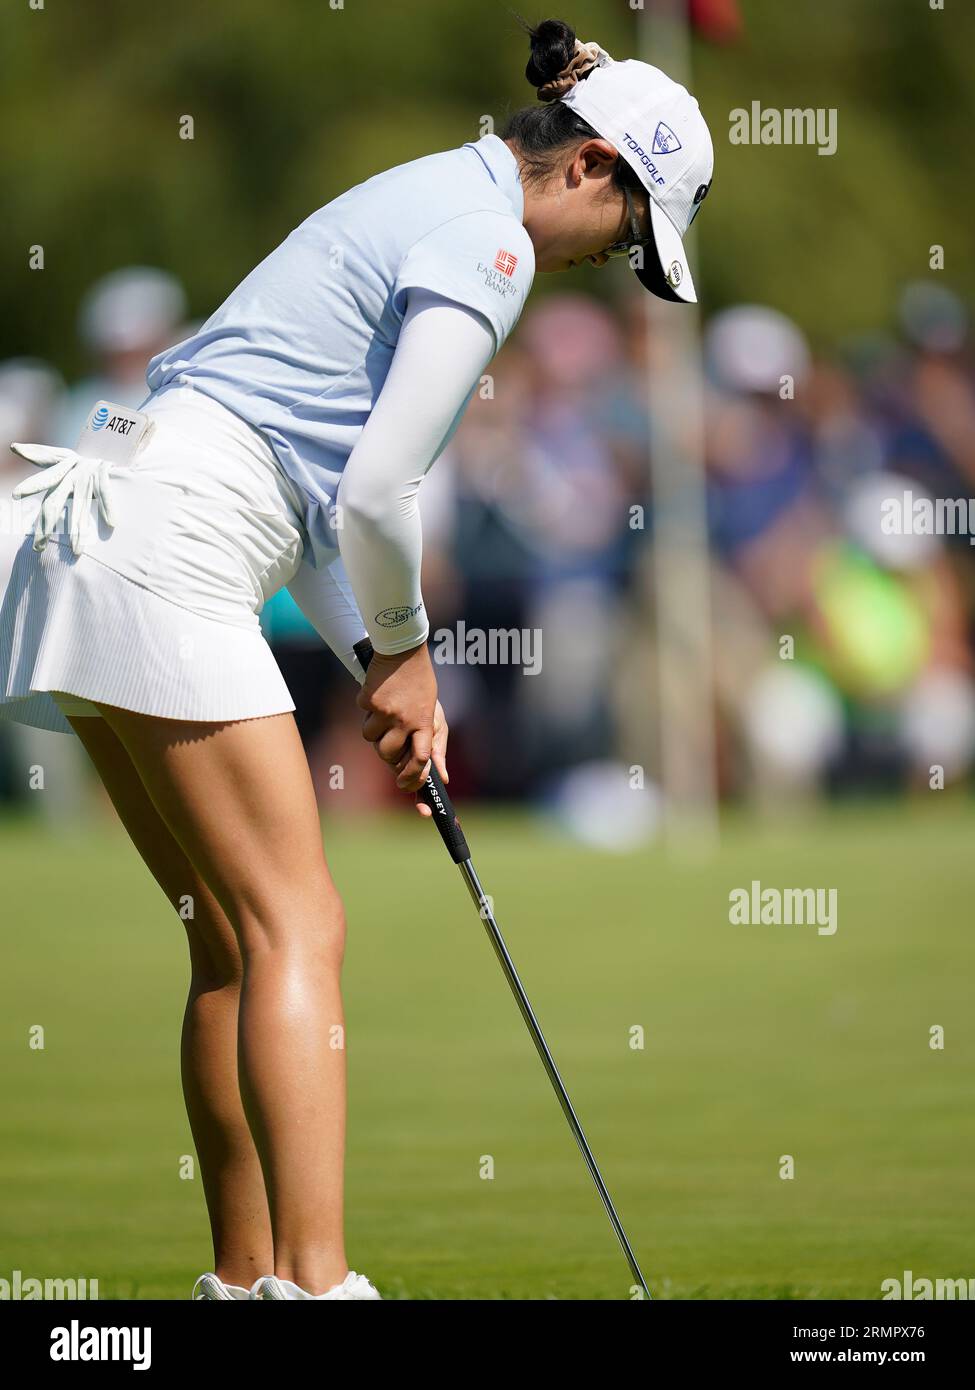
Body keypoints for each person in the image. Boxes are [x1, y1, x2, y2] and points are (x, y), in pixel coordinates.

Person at [0, 18, 713, 1300]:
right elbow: (383, 491)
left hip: (96, 528)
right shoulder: (492, 240)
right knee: (300, 923)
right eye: (623, 236)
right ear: (592, 165)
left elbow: (322, 508)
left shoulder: (428, 191)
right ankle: (318, 1288)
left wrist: (388, 675)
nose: (604, 261)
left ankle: (243, 1283)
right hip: (173, 543)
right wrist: (410, 658)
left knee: (230, 936)